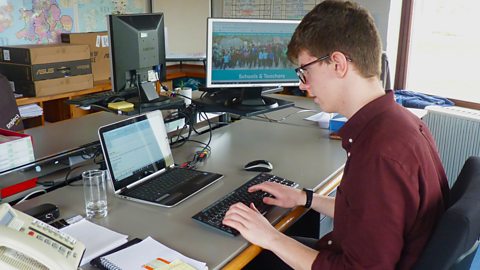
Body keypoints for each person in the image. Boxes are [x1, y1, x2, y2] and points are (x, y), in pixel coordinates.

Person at [222, 1, 449, 269]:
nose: (303, 85)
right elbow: (368, 215)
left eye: (306, 71)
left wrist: (270, 237)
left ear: (338, 64)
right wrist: (304, 198)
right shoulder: (401, 123)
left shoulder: (380, 154)